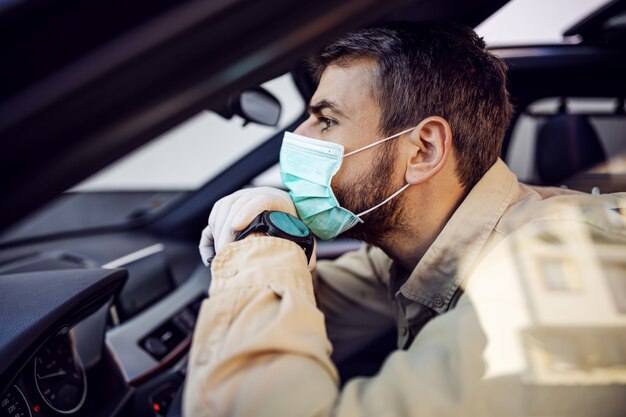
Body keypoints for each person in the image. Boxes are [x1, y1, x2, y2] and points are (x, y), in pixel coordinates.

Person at [185, 21, 626, 416]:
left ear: (423, 151)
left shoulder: (566, 271)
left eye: (326, 120)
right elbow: (306, 304)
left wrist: (265, 236)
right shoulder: (416, 250)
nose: (296, 139)